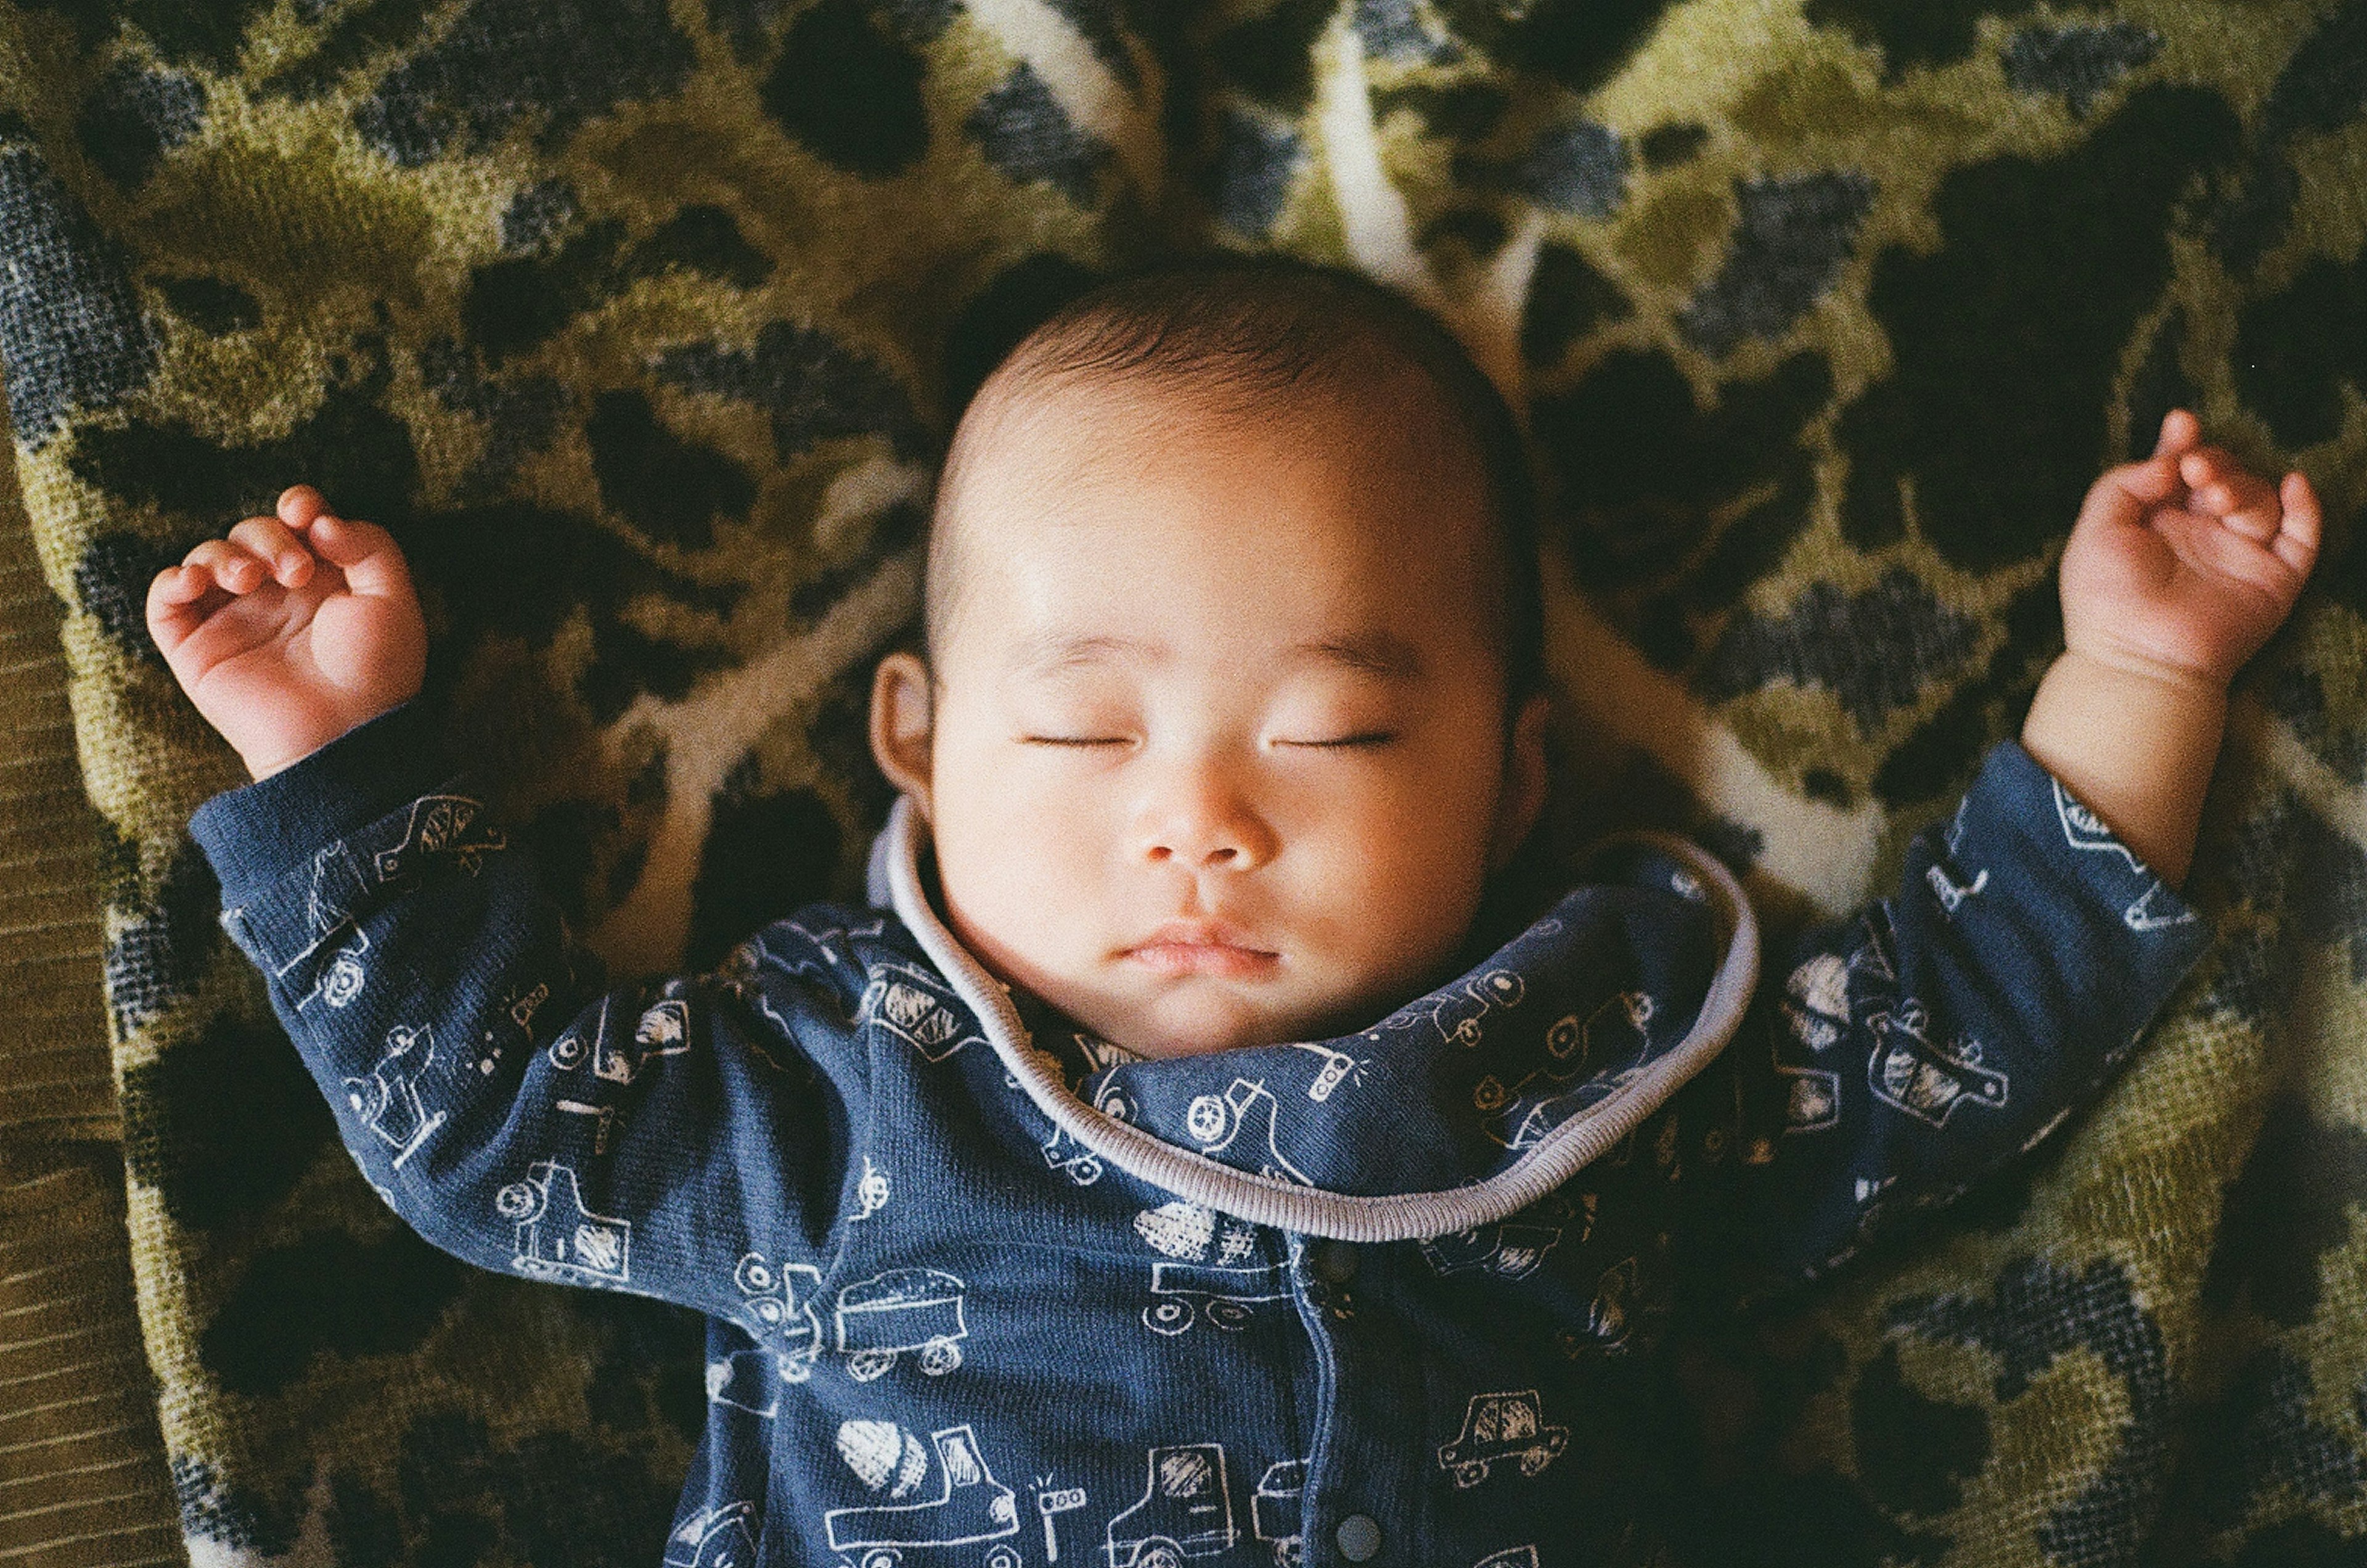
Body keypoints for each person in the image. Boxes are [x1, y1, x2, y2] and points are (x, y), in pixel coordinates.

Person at [152, 259, 2316, 1567]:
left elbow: (1961, 1031)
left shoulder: (1590, 1078)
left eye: (1343, 739)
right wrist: (334, 765)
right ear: (914, 741)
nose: (1198, 826)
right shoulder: (822, 1096)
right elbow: (503, 1117)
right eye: (1086, 739)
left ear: (1515, 779)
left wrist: (2143, 677)